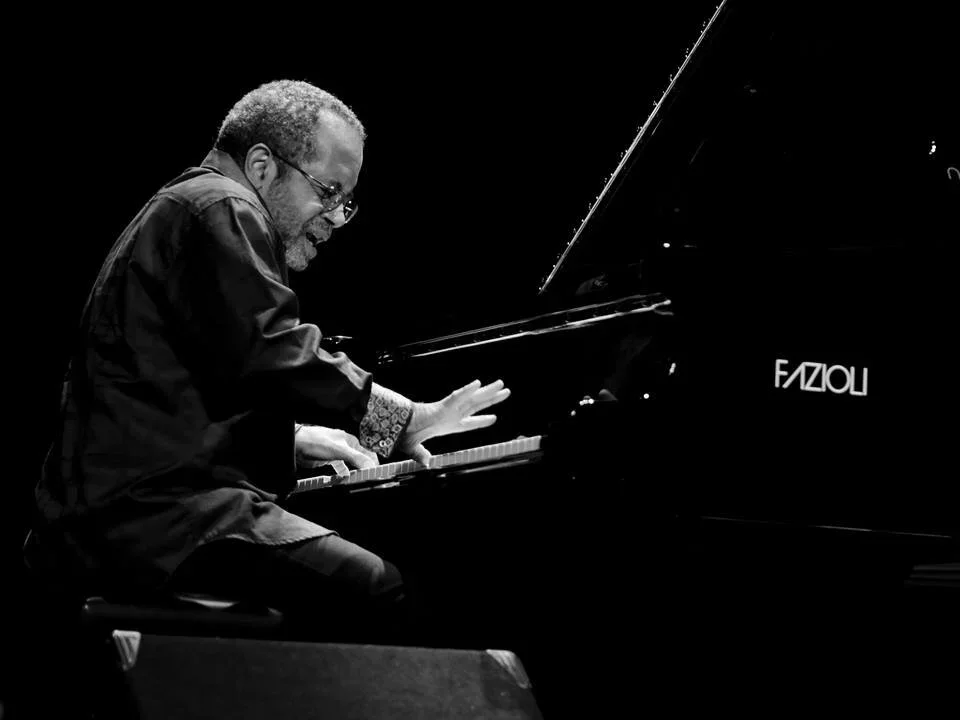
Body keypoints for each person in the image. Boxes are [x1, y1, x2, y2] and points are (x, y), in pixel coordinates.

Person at [23, 79, 509, 643]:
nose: (336, 217)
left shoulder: (187, 208)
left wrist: (292, 440)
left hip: (116, 517)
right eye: (328, 191)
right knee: (382, 591)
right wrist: (400, 419)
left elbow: (185, 382)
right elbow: (272, 346)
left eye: (347, 201)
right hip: (156, 520)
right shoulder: (222, 205)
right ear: (261, 166)